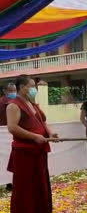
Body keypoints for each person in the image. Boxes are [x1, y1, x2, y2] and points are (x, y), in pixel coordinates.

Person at [6, 75, 59, 213]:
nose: (34, 89)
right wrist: (34, 136)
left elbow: (43, 122)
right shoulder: (13, 105)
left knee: (40, 185)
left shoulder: (32, 103)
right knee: (26, 187)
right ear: (22, 88)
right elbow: (12, 127)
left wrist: (50, 133)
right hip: (25, 154)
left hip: (39, 152)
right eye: (31, 86)